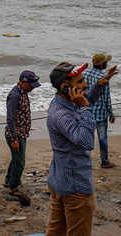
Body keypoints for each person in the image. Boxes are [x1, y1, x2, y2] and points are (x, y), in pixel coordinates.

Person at [46, 62, 117, 236]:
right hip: (75, 187)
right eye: (80, 82)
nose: (85, 85)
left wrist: (101, 83)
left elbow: (84, 99)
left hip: (60, 181)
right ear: (65, 88)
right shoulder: (62, 115)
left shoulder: (65, 102)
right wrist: (86, 108)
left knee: (56, 231)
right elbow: (86, 141)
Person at [4, 70, 41, 204]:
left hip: (22, 133)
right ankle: (13, 188)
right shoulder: (14, 95)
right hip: (16, 134)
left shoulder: (23, 92)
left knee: (16, 159)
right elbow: (10, 119)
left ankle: (9, 180)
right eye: (30, 85)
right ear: (22, 82)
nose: (32, 87)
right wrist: (14, 139)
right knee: (20, 162)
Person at [84, 54, 116, 168]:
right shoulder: (103, 78)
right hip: (101, 114)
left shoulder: (85, 73)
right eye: (106, 62)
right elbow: (106, 98)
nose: (107, 63)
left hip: (86, 112)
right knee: (102, 139)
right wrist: (111, 113)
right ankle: (104, 161)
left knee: (87, 139)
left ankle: (85, 162)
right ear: (102, 64)